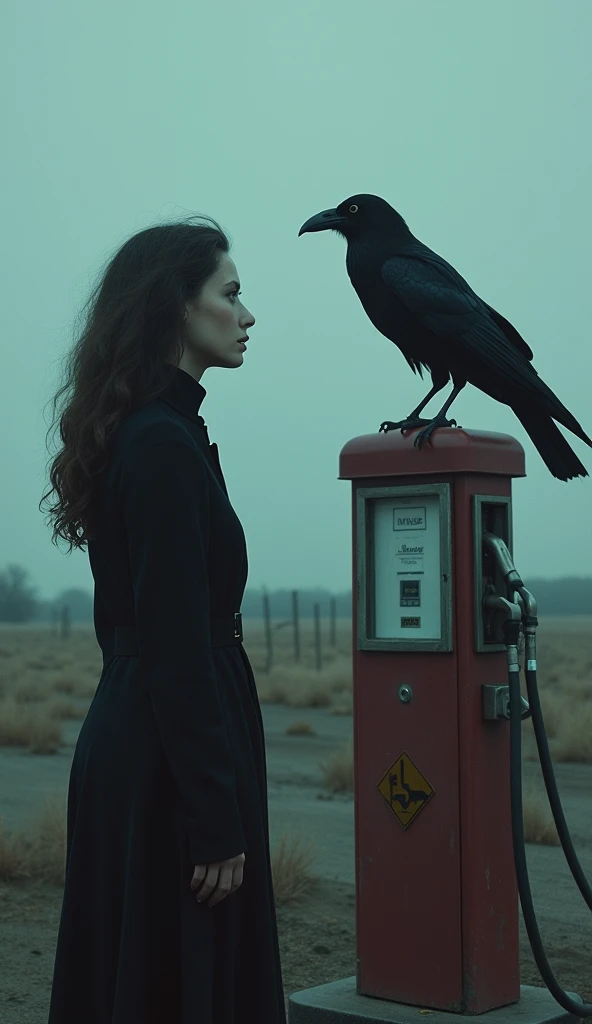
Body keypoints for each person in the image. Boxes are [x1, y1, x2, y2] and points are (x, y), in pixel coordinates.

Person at [41, 216, 287, 1023]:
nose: (248, 315)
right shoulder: (160, 445)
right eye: (232, 294)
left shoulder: (162, 432)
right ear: (177, 307)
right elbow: (175, 648)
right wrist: (214, 820)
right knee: (176, 982)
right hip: (163, 763)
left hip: (149, 744)